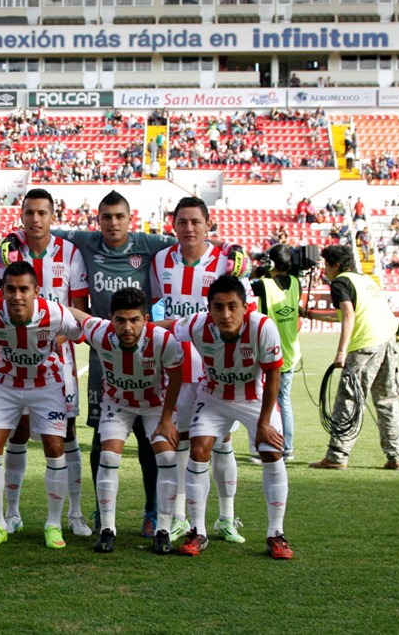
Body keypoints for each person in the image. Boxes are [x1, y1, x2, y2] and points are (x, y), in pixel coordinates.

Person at [52, 190, 176, 537]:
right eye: (106, 217)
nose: (113, 223)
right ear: (98, 220)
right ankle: (101, 508)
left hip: (145, 348)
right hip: (105, 349)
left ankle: (152, 510)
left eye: (119, 216)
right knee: (102, 437)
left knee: (149, 441)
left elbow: (186, 236)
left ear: (130, 218)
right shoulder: (87, 242)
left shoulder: (147, 243)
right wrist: (13, 238)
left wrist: (231, 251)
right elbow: (45, 229)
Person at [159, 275, 293, 560]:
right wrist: (137, 328)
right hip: (214, 397)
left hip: (254, 399)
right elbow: (170, 327)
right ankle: (198, 530)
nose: (226, 314)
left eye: (233, 306)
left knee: (272, 453)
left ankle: (276, 533)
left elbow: (273, 376)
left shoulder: (263, 327)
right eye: (218, 307)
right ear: (210, 309)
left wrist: (264, 423)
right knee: (198, 450)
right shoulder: (197, 325)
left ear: (245, 308)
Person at [0, 261, 83, 549]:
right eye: (10, 289)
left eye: (24, 289)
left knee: (54, 446)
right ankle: (0, 523)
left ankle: (53, 524)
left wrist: (52, 339)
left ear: (37, 291)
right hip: (5, 384)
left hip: (46, 385)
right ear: (2, 291)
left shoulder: (54, 313)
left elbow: (79, 332)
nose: (18, 296)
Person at [148, 196, 253, 546]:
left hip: (215, 370)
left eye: (196, 221)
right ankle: (179, 519)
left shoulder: (228, 263)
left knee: (222, 444)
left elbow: (243, 316)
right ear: (173, 225)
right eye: (182, 222)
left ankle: (226, 517)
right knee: (180, 446)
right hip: (176, 368)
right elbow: (157, 312)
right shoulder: (161, 260)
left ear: (209, 224)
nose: (189, 228)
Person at [0, 188, 91, 537]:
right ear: (22, 215)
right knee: (16, 431)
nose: (35, 219)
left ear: (52, 216)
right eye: (29, 212)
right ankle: (13, 513)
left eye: (42, 213)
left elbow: (79, 313)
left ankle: (75, 514)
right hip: (13, 363)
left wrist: (48, 339)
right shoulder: (6, 254)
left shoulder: (70, 254)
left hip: (57, 364)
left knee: (67, 435)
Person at [67, 288, 183, 554]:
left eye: (134, 320)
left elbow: (176, 378)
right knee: (108, 457)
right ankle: (108, 529)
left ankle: (163, 530)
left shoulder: (163, 340)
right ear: (111, 319)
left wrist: (166, 420)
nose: (127, 327)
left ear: (145, 319)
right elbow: (74, 313)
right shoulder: (100, 332)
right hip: (117, 404)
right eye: (121, 320)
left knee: (166, 459)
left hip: (155, 406)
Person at [306, 245, 399, 470]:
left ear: (336, 265)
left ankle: (337, 456)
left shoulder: (340, 282)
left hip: (365, 345)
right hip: (387, 341)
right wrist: (311, 314)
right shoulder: (364, 280)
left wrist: (341, 351)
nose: (325, 271)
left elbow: (349, 314)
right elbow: (347, 313)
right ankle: (396, 456)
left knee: (348, 400)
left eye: (327, 265)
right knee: (386, 400)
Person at [251, 244, 303, 462]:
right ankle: (287, 447)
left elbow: (244, 283)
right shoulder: (295, 282)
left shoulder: (264, 285)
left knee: (263, 401)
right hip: (290, 350)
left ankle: (264, 446)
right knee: (284, 401)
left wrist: (258, 269)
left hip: (269, 349)